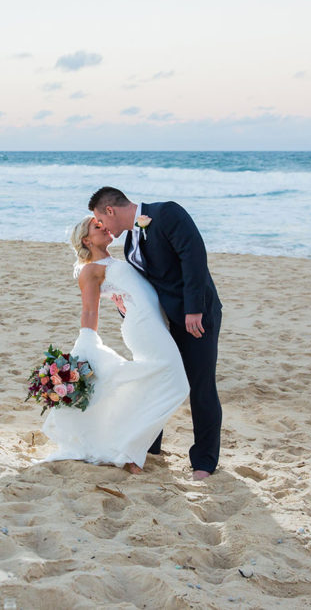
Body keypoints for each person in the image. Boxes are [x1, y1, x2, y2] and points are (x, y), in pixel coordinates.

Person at [90, 187, 222, 481]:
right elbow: (146, 286)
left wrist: (194, 309)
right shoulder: (131, 242)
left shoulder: (167, 213)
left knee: (200, 386)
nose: (103, 227)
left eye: (100, 220)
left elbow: (194, 258)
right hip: (164, 322)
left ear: (110, 210)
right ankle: (151, 446)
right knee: (158, 378)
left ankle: (204, 461)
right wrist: (126, 308)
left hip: (196, 318)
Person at [39, 217, 189, 474]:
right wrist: (87, 342)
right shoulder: (90, 270)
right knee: (177, 385)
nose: (104, 227)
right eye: (97, 227)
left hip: (151, 323)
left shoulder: (114, 262)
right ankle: (127, 450)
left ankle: (127, 448)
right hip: (143, 328)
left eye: (102, 223)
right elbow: (89, 311)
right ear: (86, 240)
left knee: (161, 383)